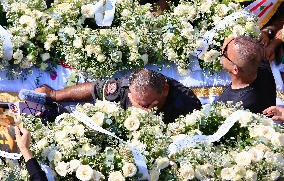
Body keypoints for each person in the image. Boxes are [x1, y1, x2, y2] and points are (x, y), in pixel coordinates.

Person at [35, 69, 202, 123]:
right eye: (134, 101)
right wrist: (54, 94)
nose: (138, 107)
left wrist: (149, 121)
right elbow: (94, 89)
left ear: (165, 90)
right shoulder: (125, 88)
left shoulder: (187, 103)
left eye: (145, 105)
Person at [217, 36, 276, 113]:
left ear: (235, 70)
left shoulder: (237, 106)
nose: (222, 51)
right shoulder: (262, 68)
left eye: (225, 53)